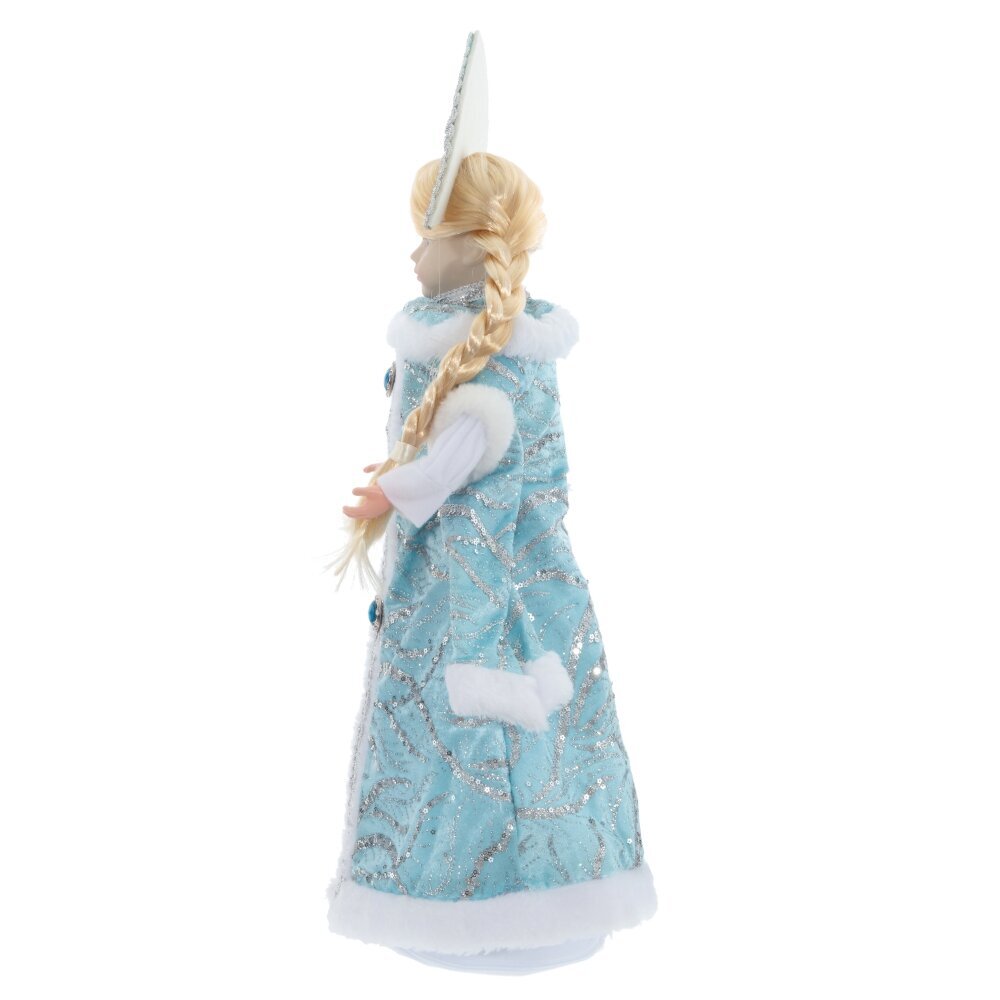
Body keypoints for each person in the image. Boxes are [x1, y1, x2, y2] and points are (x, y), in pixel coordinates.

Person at [325, 148, 658, 973]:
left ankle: (484, 902)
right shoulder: (500, 338)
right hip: (516, 580)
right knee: (530, 741)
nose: (415, 255)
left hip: (476, 591)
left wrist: (388, 491)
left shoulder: (483, 349)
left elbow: (463, 453)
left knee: (482, 746)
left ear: (470, 244)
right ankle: (520, 896)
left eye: (428, 236)